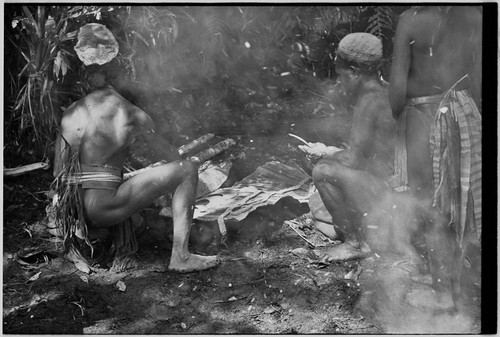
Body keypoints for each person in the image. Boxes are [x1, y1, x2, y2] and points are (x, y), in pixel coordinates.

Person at [52, 65, 219, 273]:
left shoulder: (72, 111)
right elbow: (171, 156)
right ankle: (181, 257)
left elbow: (57, 172)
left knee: (134, 215)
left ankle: (93, 234)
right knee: (186, 170)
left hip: (69, 210)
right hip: (100, 209)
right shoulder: (131, 113)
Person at [389, 6, 482, 306]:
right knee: (461, 202)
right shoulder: (477, 15)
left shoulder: (411, 20)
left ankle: (443, 293)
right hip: (464, 113)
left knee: (431, 205)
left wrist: (398, 115)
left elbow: (396, 93)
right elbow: (481, 82)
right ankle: (462, 285)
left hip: (422, 116)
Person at [299, 33, 398, 261]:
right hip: (397, 191)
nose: (339, 82)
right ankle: (366, 233)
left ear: (354, 72)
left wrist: (324, 153)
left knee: (322, 171)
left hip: (389, 193)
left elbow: (353, 160)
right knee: (320, 209)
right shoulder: (386, 90)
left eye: (341, 75)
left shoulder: (369, 101)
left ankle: (356, 243)